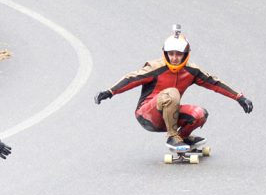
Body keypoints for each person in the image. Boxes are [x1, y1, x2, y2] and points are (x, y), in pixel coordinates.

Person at [94, 25, 254, 150]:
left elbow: (215, 83)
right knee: (172, 92)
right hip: (147, 115)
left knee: (200, 114)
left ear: (186, 55)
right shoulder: (156, 67)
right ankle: (172, 137)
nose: (175, 58)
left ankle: (181, 138)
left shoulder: (192, 71)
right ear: (165, 53)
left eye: (178, 54)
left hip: (169, 115)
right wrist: (110, 91)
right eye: (171, 54)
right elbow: (131, 78)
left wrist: (239, 98)